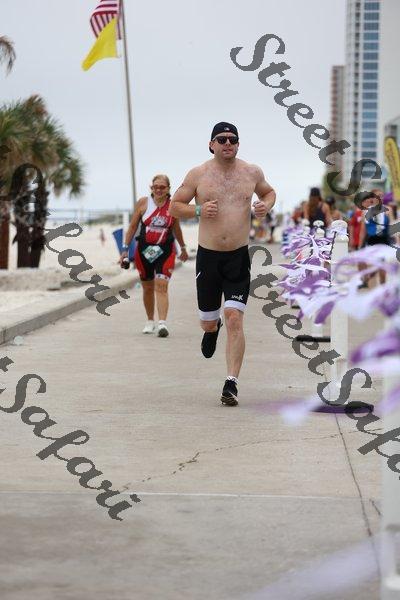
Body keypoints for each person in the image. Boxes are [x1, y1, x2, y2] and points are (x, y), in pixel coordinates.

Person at [169, 122, 276, 406]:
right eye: (222, 139)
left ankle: (231, 382)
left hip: (238, 257)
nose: (228, 143)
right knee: (208, 322)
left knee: (234, 317)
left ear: (238, 144)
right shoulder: (198, 174)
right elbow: (174, 206)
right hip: (208, 257)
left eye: (233, 139)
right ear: (211, 144)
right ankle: (211, 328)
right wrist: (198, 209)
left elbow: (269, 192)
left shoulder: (252, 172)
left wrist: (266, 206)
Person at [121, 174, 188, 337]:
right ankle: (150, 320)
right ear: (151, 188)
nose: (158, 190)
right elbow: (132, 227)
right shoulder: (143, 203)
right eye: (155, 187)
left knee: (162, 285)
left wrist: (183, 248)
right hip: (143, 251)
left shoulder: (173, 205)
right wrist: (125, 249)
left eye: (162, 187)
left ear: (168, 189)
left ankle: (162, 324)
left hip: (166, 251)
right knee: (148, 288)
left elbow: (176, 229)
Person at [356, 190, 391, 285]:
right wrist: (360, 245)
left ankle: (382, 285)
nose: (381, 198)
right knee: (369, 263)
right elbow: (363, 230)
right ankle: (366, 281)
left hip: (383, 240)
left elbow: (391, 227)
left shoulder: (387, 210)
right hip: (371, 240)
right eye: (378, 196)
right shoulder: (366, 212)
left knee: (381, 265)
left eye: (382, 195)